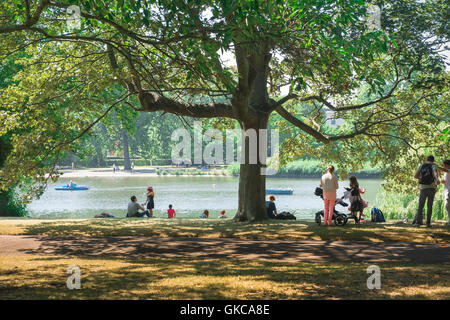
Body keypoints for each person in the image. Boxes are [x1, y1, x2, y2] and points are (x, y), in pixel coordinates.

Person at [413, 155, 440, 227]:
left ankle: (418, 222)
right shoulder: (434, 166)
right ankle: (428, 223)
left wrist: (421, 178)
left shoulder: (421, 166)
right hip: (432, 188)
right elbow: (434, 172)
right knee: (429, 205)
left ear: (426, 159)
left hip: (423, 188)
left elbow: (415, 176)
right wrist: (437, 179)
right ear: (433, 160)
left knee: (421, 205)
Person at [441, 159, 450, 226]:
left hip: (449, 190)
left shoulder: (448, 170)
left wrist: (436, 167)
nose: (443, 166)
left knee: (447, 205)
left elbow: (445, 170)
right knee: (447, 206)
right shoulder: (446, 172)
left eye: (444, 165)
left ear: (448, 165)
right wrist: (444, 181)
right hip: (446, 190)